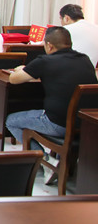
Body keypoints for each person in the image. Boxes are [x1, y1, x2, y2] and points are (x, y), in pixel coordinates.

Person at [6, 27, 97, 178]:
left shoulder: (45, 61)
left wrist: (22, 69)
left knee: (11, 121)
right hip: (85, 123)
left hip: (57, 124)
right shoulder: (84, 59)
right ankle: (60, 162)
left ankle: (45, 161)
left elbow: (13, 79)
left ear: (49, 45)